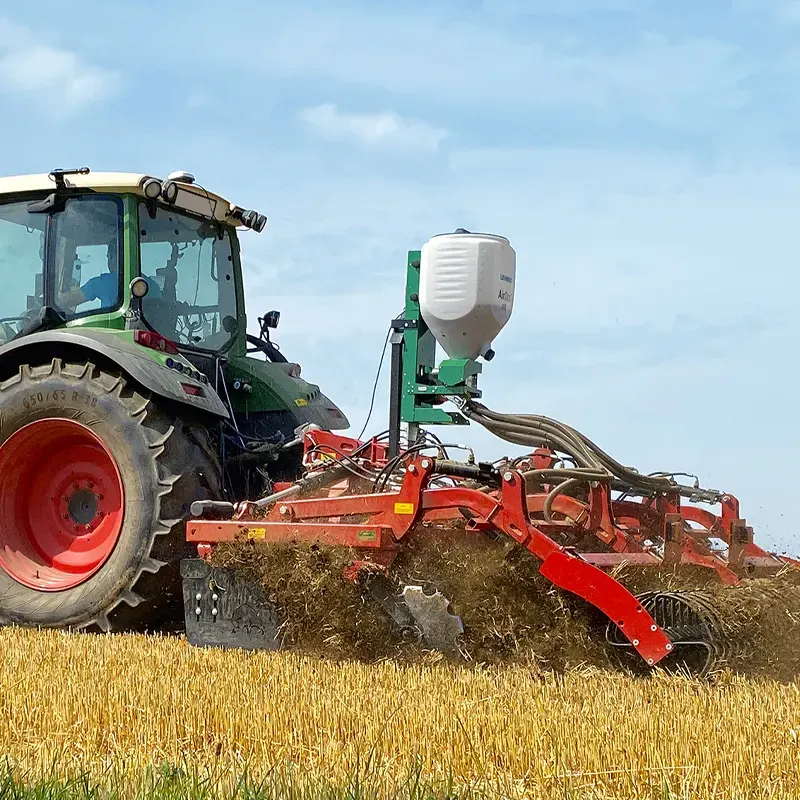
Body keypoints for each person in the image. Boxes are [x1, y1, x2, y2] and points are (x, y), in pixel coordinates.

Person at [58, 242, 161, 310]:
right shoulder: (153, 286)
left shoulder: (103, 283)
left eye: (108, 256)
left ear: (112, 257)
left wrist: (53, 300)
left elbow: (71, 299)